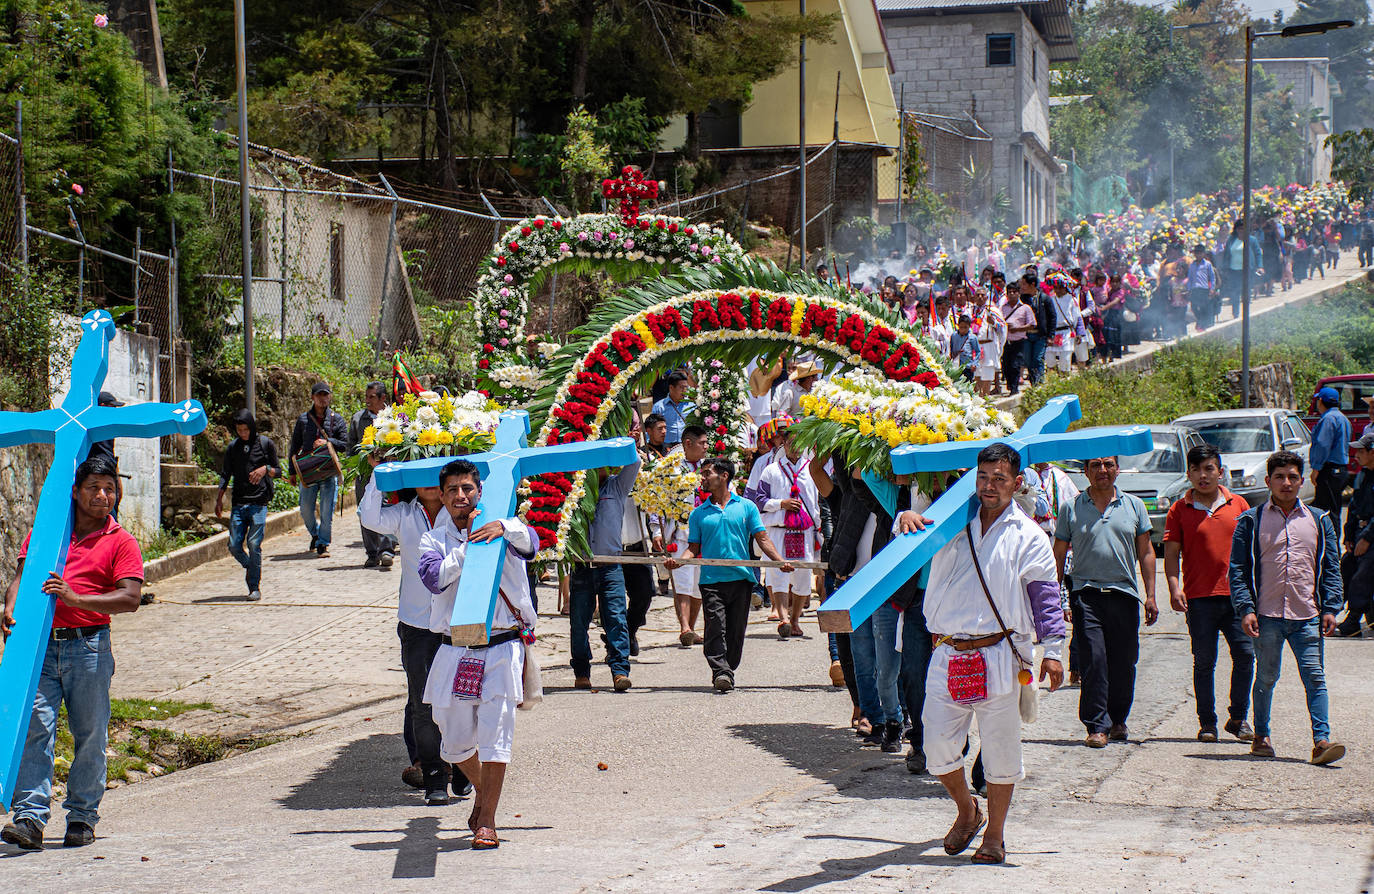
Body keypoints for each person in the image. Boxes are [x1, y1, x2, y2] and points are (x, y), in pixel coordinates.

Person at [894, 443, 1064, 865]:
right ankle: (968, 811)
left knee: (1001, 751)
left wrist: (1054, 652)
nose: (990, 487)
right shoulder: (948, 523)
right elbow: (906, 539)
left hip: (1001, 655)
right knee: (935, 747)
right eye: (984, 477)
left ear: (1017, 483)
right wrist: (905, 518)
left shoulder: (1029, 536)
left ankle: (996, 836)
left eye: (1000, 479)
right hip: (947, 651)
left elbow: (1046, 600)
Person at [1, 457, 144, 851]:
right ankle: (29, 818)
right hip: (41, 646)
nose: (103, 495)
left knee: (90, 734)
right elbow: (21, 578)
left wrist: (76, 597)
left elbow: (130, 598)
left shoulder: (121, 541)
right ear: (76, 491)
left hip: (90, 647)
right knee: (36, 728)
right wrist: (10, 607)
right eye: (94, 487)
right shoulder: (47, 532)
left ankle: (81, 816)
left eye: (110, 488)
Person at [417, 459, 541, 849]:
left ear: (479, 491)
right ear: (442, 493)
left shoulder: (507, 528)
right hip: (456, 650)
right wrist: (468, 549)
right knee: (452, 741)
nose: (460, 496)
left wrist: (503, 527)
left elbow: (532, 543)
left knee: (496, 732)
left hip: (502, 647)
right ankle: (484, 797)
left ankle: (486, 819)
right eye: (452, 489)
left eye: (467, 488)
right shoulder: (433, 540)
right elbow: (434, 579)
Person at [359, 453, 471, 803]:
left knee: (462, 699)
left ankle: (465, 765)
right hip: (417, 623)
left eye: (432, 469)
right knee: (423, 702)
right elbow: (369, 516)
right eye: (416, 470)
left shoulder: (465, 515)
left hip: (460, 621)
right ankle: (435, 775)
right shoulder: (405, 516)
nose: (425, 478)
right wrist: (381, 473)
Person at [1227, 451, 1344, 765]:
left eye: (1293, 477)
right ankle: (1262, 735)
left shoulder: (1319, 520)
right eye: (1279, 477)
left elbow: (1332, 567)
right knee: (1266, 677)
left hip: (1307, 616)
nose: (1286, 483)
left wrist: (1331, 607)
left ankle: (1321, 741)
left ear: (1301, 481)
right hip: (1265, 617)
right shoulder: (1251, 521)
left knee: (1315, 678)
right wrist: (1245, 608)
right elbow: (1237, 569)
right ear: (1268, 481)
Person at [1054, 456, 1158, 747]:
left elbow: (1147, 552)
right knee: (1094, 660)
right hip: (1086, 594)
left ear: (1117, 469)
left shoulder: (1134, 505)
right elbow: (1059, 554)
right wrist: (1053, 596)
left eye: (1108, 464)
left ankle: (1118, 720)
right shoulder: (1071, 507)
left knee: (1124, 663)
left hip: (1125, 595)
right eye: (1096, 465)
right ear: (1085, 471)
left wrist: (1150, 595)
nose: (1103, 470)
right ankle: (1096, 724)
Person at [666, 457, 793, 692]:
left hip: (742, 578)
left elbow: (762, 538)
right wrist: (680, 562)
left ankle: (728, 667)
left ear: (724, 476)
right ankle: (720, 670)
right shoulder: (698, 514)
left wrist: (780, 561)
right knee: (715, 626)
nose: (702, 478)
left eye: (707, 474)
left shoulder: (746, 507)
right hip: (711, 580)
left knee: (736, 630)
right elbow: (693, 548)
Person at [1162, 444, 1254, 742]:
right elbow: (1172, 554)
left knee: (1244, 656)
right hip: (1199, 599)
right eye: (1196, 469)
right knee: (1204, 662)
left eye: (1209, 469)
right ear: (1188, 473)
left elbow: (1253, 552)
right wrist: (1174, 587)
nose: (1203, 476)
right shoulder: (1179, 509)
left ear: (1220, 472)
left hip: (1237, 599)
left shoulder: (1239, 505)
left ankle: (1238, 718)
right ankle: (1207, 723)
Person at [569, 459, 642, 692]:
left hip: (611, 565)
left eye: (600, 462)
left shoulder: (617, 486)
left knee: (616, 618)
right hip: (582, 565)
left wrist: (623, 438)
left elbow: (635, 462)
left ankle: (620, 670)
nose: (595, 468)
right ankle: (581, 671)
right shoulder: (575, 488)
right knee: (579, 623)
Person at [757, 433, 821, 638]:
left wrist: (819, 531)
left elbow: (818, 504)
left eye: (801, 442)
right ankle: (783, 617)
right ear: (783, 443)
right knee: (778, 574)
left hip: (804, 532)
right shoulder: (771, 470)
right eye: (792, 442)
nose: (796, 446)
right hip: (779, 530)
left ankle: (795, 620)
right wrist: (781, 504)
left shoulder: (812, 470)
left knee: (802, 576)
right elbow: (759, 500)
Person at [214, 409, 283, 602]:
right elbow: (225, 474)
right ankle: (250, 566)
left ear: (252, 427)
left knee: (254, 544)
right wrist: (219, 499)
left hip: (259, 502)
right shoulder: (233, 448)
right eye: (239, 430)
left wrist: (264, 469)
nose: (243, 433)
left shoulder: (265, 444)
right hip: (239, 502)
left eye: (246, 429)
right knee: (234, 545)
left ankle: (254, 586)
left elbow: (277, 471)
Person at [653, 426, 710, 646]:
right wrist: (657, 530)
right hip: (681, 534)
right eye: (702, 443)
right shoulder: (672, 469)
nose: (706, 447)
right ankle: (684, 626)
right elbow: (658, 502)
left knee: (698, 587)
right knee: (683, 584)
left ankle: (692, 628)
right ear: (688, 443)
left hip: (705, 536)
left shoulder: (709, 468)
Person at [288, 382, 348, 557]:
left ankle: (323, 543)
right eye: (319, 395)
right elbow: (294, 446)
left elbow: (345, 444)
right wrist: (292, 471)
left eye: (326, 395)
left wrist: (329, 442)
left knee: (326, 510)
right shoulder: (303, 420)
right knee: (305, 510)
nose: (323, 398)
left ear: (329, 396)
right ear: (312, 397)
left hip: (329, 472)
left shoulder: (337, 419)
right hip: (308, 472)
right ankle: (315, 534)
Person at [350, 382, 396, 569]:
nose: (368, 401)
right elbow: (351, 445)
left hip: (388, 472)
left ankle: (387, 550)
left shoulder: (394, 419)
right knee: (366, 509)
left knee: (388, 508)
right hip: (365, 474)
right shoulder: (357, 419)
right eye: (366, 397)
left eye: (372, 397)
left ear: (383, 398)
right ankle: (371, 552)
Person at [1336, 431, 1374, 636]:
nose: (1356, 455)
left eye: (1361, 450)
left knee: (1365, 569)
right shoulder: (1363, 475)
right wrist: (1349, 535)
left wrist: (1367, 538)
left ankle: (1353, 620)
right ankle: (1332, 613)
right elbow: (1353, 506)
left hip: (1371, 536)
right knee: (1348, 564)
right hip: (1362, 532)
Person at [1308, 386, 1351, 515]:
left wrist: (1316, 469)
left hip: (1328, 470)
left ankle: (1330, 535)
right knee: (1333, 507)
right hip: (1340, 469)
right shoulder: (1343, 418)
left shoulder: (1328, 419)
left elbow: (1322, 445)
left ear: (1320, 401)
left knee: (1327, 511)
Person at [651, 371, 694, 447]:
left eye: (686, 387)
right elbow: (651, 430)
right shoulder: (659, 407)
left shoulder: (691, 406)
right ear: (671, 387)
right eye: (681, 387)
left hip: (687, 447)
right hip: (666, 448)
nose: (684, 390)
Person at [1187, 245, 1219, 330]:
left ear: (1203, 254)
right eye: (1196, 253)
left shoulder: (1207, 264)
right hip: (1194, 289)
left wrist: (1212, 288)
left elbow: (1212, 277)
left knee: (1204, 307)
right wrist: (1189, 289)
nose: (1198, 255)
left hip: (1203, 289)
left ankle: (1203, 324)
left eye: (1200, 253)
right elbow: (1190, 278)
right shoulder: (1192, 265)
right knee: (1194, 307)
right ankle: (1200, 319)